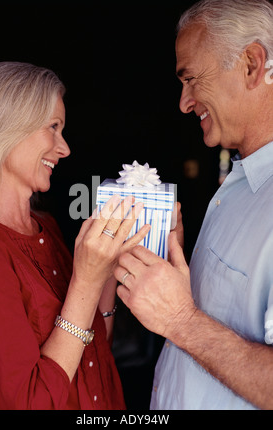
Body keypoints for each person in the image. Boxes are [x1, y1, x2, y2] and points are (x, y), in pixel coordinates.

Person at [114, 0, 273, 410]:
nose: (185, 103)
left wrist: (182, 321)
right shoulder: (238, 183)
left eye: (192, 79)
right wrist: (173, 265)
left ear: (252, 65)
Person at [0, 61, 150, 410]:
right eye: (53, 127)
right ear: (7, 125)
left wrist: (107, 270)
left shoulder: (46, 226)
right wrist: (85, 279)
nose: (64, 148)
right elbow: (28, 401)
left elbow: (93, 347)